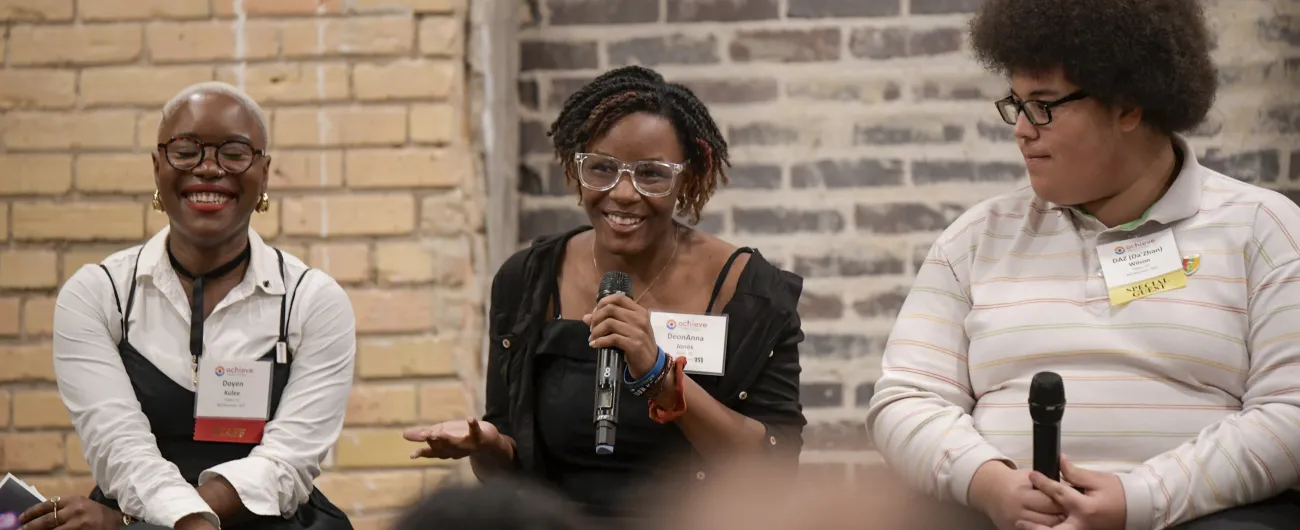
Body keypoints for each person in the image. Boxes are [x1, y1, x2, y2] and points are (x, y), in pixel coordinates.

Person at [866, 1, 1300, 530]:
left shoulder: (1263, 228)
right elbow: (906, 397)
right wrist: (989, 481)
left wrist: (1140, 499)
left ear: (1128, 106)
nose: (1022, 130)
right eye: (1016, 104)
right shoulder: (974, 240)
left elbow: (1290, 413)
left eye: (1043, 106)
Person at [402, 65, 807, 520]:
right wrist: (490, 444)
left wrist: (659, 374)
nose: (624, 193)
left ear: (687, 179)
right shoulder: (527, 281)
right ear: (577, 172)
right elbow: (512, 474)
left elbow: (772, 467)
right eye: (602, 169)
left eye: (652, 174)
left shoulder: (751, 293)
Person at [24, 82, 356, 530]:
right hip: (137, 513)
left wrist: (159, 524)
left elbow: (288, 460)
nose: (209, 168)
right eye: (186, 150)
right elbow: (119, 447)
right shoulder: (99, 295)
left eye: (235, 153)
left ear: (265, 172)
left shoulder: (313, 301)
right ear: (157, 166)